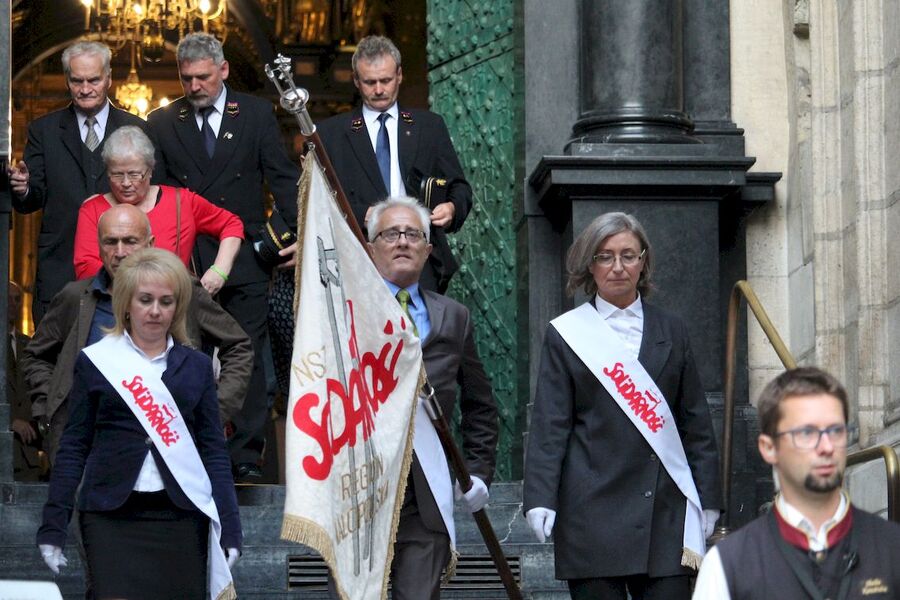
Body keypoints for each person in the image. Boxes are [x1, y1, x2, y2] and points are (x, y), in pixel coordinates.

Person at [522, 212, 722, 600]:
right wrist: (540, 498)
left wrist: (709, 497)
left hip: (663, 512)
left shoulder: (673, 329)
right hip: (592, 514)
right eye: (605, 256)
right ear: (589, 265)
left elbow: (695, 422)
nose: (617, 267)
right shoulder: (566, 334)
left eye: (628, 255)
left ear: (643, 261)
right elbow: (551, 424)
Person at [36, 247, 241, 599]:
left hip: (181, 517)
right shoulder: (97, 361)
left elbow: (213, 452)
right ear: (127, 304)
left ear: (178, 307)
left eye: (166, 301)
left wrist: (231, 527)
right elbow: (73, 446)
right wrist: (54, 524)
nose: (155, 311)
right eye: (145, 300)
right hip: (110, 518)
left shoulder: (195, 366)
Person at [147, 32, 300, 479]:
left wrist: (284, 237)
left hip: (247, 258)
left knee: (247, 354)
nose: (194, 86)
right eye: (187, 78)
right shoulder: (161, 121)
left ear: (224, 70)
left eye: (203, 77)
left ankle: (245, 456)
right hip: (187, 261)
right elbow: (158, 195)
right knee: (185, 353)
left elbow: (282, 179)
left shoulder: (254, 115)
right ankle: (187, 447)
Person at [23, 204, 253, 463]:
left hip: (169, 446)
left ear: (150, 243)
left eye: (130, 241)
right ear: (99, 245)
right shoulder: (75, 298)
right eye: (111, 242)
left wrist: (214, 411)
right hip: (90, 449)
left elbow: (238, 345)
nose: (120, 252)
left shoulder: (181, 290)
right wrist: (49, 405)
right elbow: (36, 356)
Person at [357, 197, 498, 599]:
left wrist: (479, 470)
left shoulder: (454, 316)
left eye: (413, 234)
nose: (402, 241)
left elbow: (481, 405)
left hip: (425, 494)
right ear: (370, 248)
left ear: (428, 249)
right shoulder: (344, 311)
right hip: (359, 492)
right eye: (390, 234)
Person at [693, 367, 900, 599]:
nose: (827, 447)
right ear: (769, 448)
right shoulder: (726, 567)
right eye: (807, 433)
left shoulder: (892, 548)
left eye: (836, 431)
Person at [317, 35, 472, 293]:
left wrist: (452, 208)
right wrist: (360, 214)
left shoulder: (429, 127)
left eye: (386, 80)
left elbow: (461, 188)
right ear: (356, 81)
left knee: (420, 333)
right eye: (369, 82)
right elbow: (319, 201)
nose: (379, 89)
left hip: (420, 258)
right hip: (359, 257)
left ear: (399, 75)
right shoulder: (331, 134)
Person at [6, 41, 146, 325]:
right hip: (61, 267)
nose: (85, 89)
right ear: (67, 80)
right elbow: (33, 198)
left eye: (93, 80)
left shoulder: (137, 129)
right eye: (76, 80)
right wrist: (23, 189)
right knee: (55, 360)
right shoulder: (43, 130)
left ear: (108, 78)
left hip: (124, 269)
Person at [73, 126, 244, 296]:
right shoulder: (93, 209)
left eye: (134, 174)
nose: (125, 183)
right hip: (112, 307)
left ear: (150, 170)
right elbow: (86, 269)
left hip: (175, 306)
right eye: (117, 174)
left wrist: (219, 271)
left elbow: (231, 224)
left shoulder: (181, 201)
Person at [7, 281, 43, 482]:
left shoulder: (30, 346)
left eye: (17, 299)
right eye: (8, 298)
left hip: (28, 457)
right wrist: (10, 421)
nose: (13, 303)